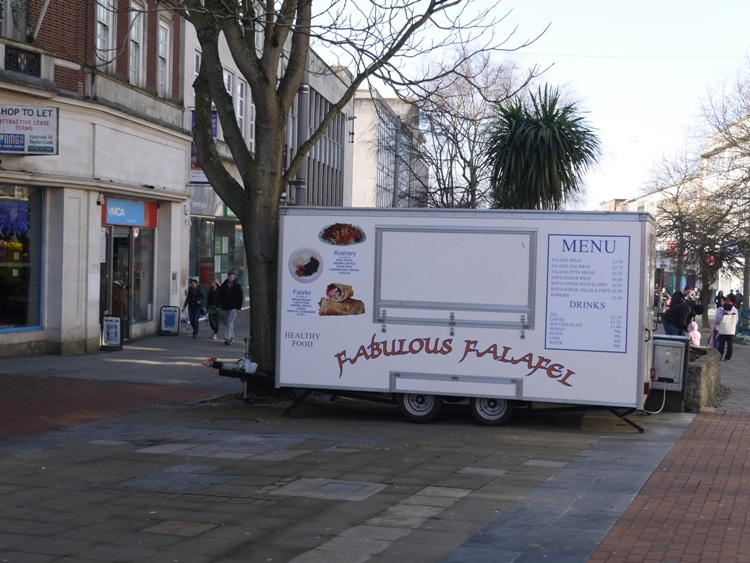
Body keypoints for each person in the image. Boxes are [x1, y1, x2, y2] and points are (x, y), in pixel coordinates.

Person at [217, 272, 243, 345]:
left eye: (231, 277)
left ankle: (227, 338)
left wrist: (239, 308)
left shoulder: (237, 286)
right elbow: (219, 296)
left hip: (233, 307)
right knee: (226, 322)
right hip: (225, 307)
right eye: (229, 277)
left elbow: (240, 297)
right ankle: (231, 335)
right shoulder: (224, 285)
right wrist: (218, 306)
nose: (230, 278)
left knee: (230, 322)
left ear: (234, 278)